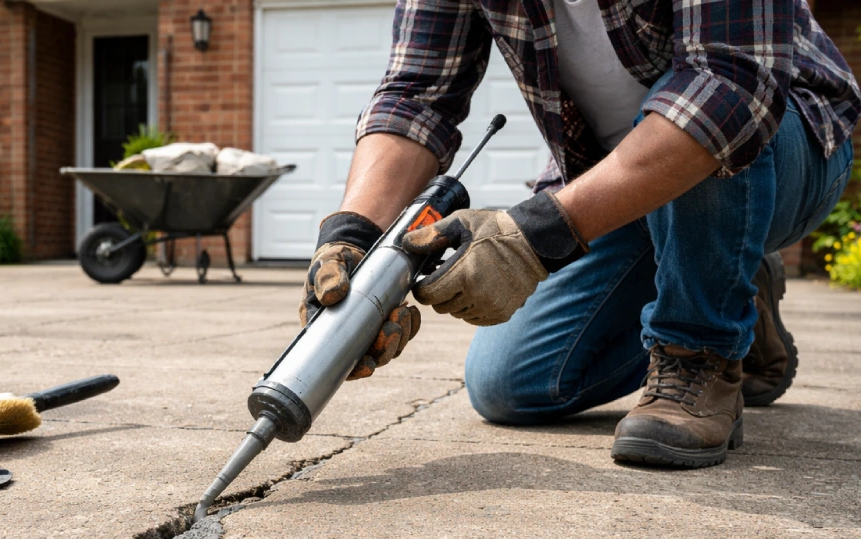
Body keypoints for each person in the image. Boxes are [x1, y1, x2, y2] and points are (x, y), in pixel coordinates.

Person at [302, 0, 859, 468]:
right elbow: (417, 94)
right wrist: (354, 235)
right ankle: (729, 274)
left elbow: (729, 85)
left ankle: (700, 346)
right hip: (617, 174)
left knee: (697, 102)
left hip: (781, 145)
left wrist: (535, 235)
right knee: (507, 383)